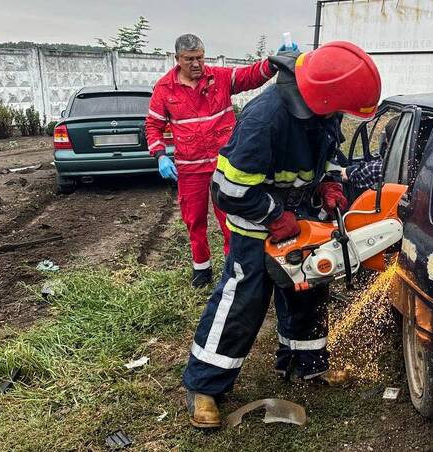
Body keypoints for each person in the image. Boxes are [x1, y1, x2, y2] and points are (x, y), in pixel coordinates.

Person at [182, 41, 382, 428]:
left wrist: (326, 183)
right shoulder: (265, 119)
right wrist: (274, 216)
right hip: (256, 227)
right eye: (342, 110)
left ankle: (303, 365)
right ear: (326, 96)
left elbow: (324, 155)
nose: (342, 116)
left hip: (302, 219)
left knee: (309, 290)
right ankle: (205, 385)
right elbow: (229, 190)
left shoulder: (320, 108)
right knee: (245, 299)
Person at [145, 33, 277, 288]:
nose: (196, 64)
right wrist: (160, 155)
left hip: (223, 167)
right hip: (189, 169)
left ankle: (234, 268)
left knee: (231, 220)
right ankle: (201, 269)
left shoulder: (220, 78)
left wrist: (274, 62)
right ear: (177, 59)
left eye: (200, 58)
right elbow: (153, 126)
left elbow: (250, 76)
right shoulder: (164, 89)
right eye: (189, 59)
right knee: (194, 221)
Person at [341, 116, 398, 190]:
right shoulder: (413, 168)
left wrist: (344, 171)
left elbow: (346, 174)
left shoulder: (377, 169)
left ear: (387, 141)